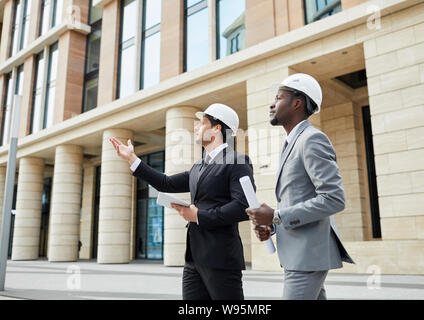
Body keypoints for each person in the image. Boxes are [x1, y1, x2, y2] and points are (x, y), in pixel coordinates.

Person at [110, 103, 255, 300]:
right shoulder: (198, 167)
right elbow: (165, 183)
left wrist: (199, 216)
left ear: (217, 128)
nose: (196, 128)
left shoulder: (237, 161)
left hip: (221, 258)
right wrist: (133, 159)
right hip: (193, 259)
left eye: (202, 123)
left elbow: (242, 207)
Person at [246, 73, 355, 300]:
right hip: (299, 254)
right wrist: (273, 225)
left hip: (307, 257)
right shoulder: (291, 143)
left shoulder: (312, 139)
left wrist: (275, 216)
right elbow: (298, 199)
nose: (272, 104)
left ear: (297, 103)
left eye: (278, 97)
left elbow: (333, 198)